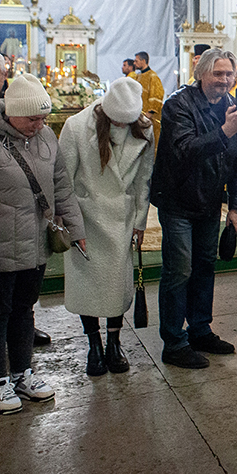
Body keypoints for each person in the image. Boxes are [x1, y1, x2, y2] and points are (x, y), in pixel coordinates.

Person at [0, 74, 85, 414]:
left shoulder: (46, 136)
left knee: (23, 311)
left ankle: (22, 373)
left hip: (34, 246)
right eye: (33, 118)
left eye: (43, 118)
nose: (40, 124)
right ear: (13, 113)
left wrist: (76, 230)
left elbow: (62, 187)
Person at [150, 48, 237, 369]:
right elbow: (185, 150)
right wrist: (226, 130)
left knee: (205, 266)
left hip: (209, 202)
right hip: (178, 200)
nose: (224, 80)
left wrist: (235, 207)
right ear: (201, 74)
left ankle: (200, 329)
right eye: (218, 74)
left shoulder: (230, 106)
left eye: (229, 74)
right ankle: (174, 341)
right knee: (179, 270)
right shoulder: (177, 105)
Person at [59, 78, 155, 376]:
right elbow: (63, 182)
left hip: (121, 220)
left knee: (116, 285)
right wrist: (73, 226)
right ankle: (94, 345)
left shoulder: (145, 128)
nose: (122, 126)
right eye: (116, 121)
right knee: (88, 286)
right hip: (86, 220)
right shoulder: (76, 127)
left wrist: (140, 221)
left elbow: (144, 180)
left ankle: (114, 343)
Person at [0, 52, 52, 350]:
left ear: (4, 77)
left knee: (19, 299)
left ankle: (20, 345)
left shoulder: (20, 102)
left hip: (17, 214)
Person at [133, 51, 164, 143]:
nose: (134, 63)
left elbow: (157, 94)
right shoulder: (138, 77)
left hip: (149, 116)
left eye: (136, 61)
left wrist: (151, 111)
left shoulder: (152, 76)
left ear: (143, 61)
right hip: (139, 115)